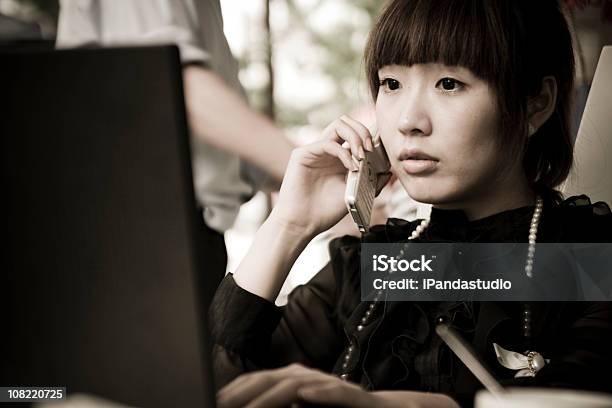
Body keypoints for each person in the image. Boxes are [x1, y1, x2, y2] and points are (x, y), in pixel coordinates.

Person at [209, 0, 612, 407]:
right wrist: (289, 225)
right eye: (392, 84)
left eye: (449, 83)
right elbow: (213, 386)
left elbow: (579, 394)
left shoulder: (590, 258)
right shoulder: (381, 263)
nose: (408, 121)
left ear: (535, 103)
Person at [55, 0, 294, 300]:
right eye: (374, 82)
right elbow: (168, 84)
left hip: (189, 237)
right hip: (142, 234)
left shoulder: (369, 251)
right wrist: (317, 170)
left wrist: (347, 197)